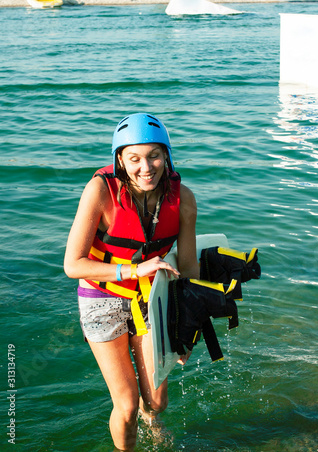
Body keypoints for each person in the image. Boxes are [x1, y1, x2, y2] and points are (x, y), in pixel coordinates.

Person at [64, 113, 199, 451]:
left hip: (151, 296)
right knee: (125, 406)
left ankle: (151, 419)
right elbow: (73, 264)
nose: (146, 167)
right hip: (101, 294)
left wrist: (188, 328)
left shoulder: (184, 201)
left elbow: (188, 269)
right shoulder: (100, 191)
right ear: (119, 160)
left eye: (154, 155)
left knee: (156, 401)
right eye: (134, 158)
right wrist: (131, 271)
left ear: (167, 155)